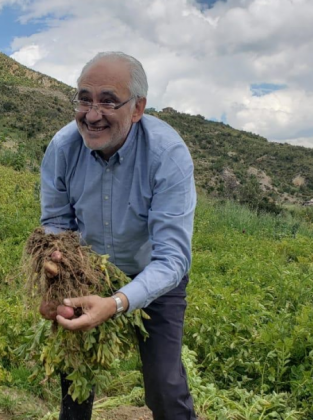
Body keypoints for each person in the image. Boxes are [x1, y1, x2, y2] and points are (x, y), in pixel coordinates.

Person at [39, 52, 197, 420]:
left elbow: (172, 259)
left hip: (153, 274)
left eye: (108, 101)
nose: (92, 115)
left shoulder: (167, 156)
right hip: (87, 270)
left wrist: (116, 303)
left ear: (138, 108)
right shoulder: (63, 148)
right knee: (74, 379)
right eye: (84, 99)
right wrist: (53, 271)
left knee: (164, 384)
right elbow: (56, 224)